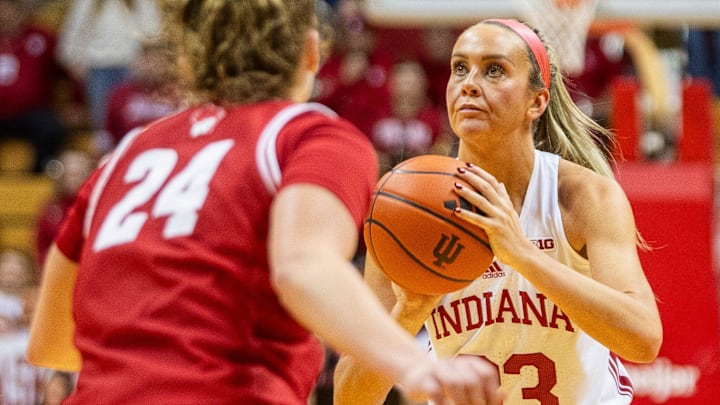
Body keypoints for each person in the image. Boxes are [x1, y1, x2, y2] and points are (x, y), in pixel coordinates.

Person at [26, 1, 502, 404]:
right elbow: (301, 265)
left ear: (191, 58)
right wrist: (417, 370)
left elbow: (50, 343)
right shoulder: (307, 134)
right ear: (312, 52)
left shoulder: (128, 152)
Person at [334, 18, 663, 404]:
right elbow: (349, 398)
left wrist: (522, 254)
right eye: (460, 68)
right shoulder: (406, 205)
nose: (469, 83)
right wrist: (407, 314)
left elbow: (643, 339)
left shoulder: (584, 197)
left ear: (536, 101)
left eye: (494, 70)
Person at [0, 0, 77, 173]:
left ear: (22, 11)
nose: (6, 14)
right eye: (2, 9)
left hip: (32, 111)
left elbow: (68, 70)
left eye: (11, 9)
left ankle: (38, 175)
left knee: (51, 129)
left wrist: (75, 102)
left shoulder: (43, 37)